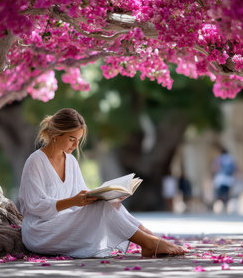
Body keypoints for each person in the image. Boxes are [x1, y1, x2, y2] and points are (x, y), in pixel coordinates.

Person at [18, 108, 187, 258]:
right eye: (71, 139)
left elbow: (82, 195)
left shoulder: (70, 162)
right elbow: (33, 206)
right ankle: (150, 244)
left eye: (78, 139)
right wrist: (74, 201)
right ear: (56, 134)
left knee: (109, 203)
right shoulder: (36, 162)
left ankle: (152, 238)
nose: (76, 145)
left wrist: (108, 195)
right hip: (40, 232)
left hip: (65, 225)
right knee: (103, 206)